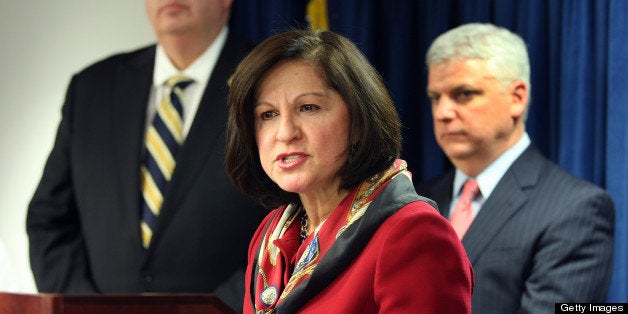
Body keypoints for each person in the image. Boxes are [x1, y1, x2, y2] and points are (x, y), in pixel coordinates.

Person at [26, 0, 265, 311]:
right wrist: (83, 306)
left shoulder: (269, 83)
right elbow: (50, 220)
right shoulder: (92, 87)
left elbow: (296, 223)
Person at [225, 29, 474, 313]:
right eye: (267, 115)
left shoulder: (414, 233)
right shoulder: (270, 234)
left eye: (308, 107)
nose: (285, 133)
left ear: (357, 122)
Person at [416, 23, 615, 313]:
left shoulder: (576, 209)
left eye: (464, 94)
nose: (443, 112)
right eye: (436, 98)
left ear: (517, 98)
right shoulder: (419, 200)